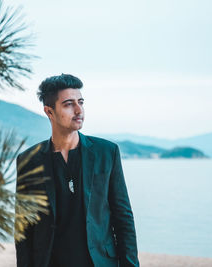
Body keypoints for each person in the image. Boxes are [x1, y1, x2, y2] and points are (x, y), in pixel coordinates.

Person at [15, 74, 139, 267]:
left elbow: (123, 218)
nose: (79, 110)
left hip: (99, 262)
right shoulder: (29, 160)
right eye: (68, 104)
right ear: (49, 112)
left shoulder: (107, 152)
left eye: (80, 102)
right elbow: (23, 227)